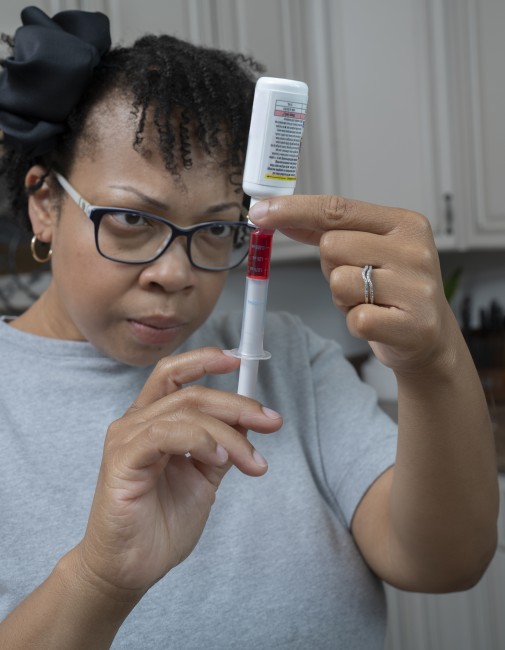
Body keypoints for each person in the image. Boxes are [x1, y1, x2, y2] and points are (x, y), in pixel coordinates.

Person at [0, 6, 499, 650]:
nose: (176, 273)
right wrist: (100, 576)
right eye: (131, 220)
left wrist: (434, 363)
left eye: (214, 230)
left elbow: (445, 561)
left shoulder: (288, 358)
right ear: (46, 203)